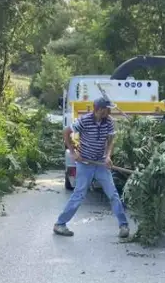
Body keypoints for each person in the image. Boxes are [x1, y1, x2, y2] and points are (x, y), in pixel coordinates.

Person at [54, 97, 130, 238]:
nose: (109, 111)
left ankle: (123, 226)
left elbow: (111, 140)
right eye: (107, 109)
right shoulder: (85, 120)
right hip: (85, 164)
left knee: (113, 194)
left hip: (101, 164)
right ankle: (60, 224)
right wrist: (73, 152)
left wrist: (108, 156)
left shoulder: (109, 122)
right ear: (98, 109)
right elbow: (66, 132)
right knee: (79, 195)